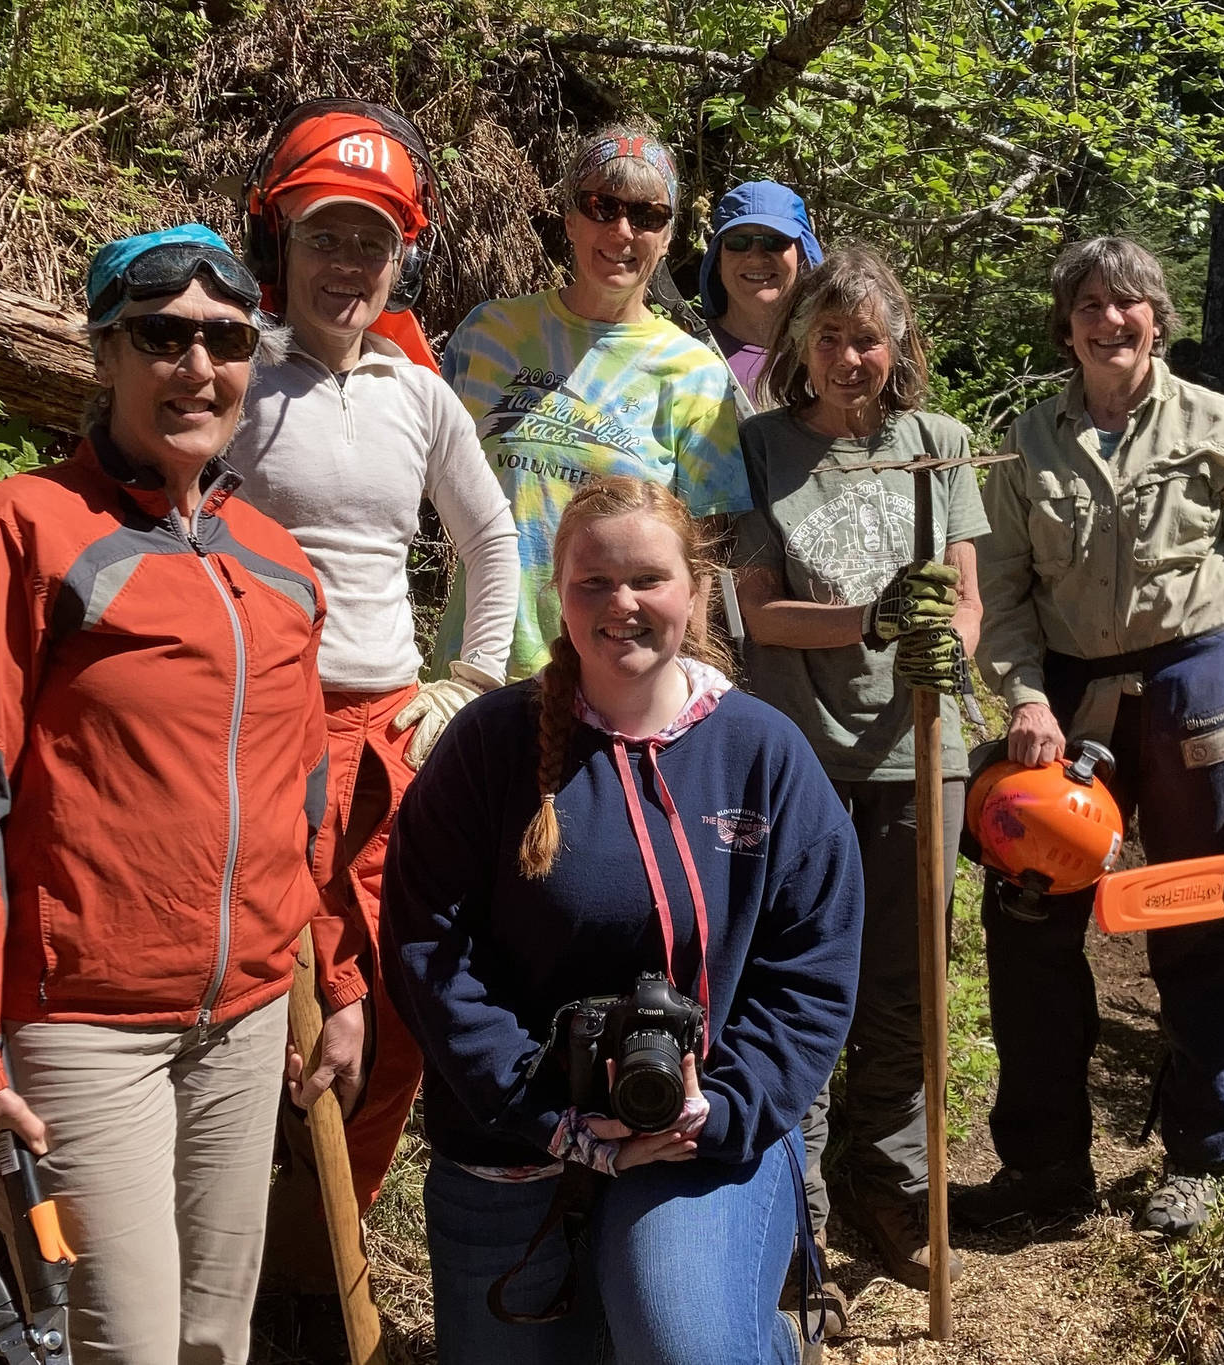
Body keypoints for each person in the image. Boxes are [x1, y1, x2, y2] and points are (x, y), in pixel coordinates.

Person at [0, 224, 326, 1364]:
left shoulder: (278, 563)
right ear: (103, 354)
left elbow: (304, 800)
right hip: (83, 1027)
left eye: (225, 339)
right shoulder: (26, 528)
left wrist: (336, 980)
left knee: (215, 1344)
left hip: (244, 1020)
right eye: (161, 337)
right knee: (119, 1348)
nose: (196, 367)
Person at [380, 475, 864, 1364]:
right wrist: (544, 1110)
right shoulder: (491, 747)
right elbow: (427, 947)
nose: (622, 604)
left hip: (703, 1134)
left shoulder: (761, 754)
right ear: (556, 595)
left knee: (683, 1339)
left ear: (698, 590)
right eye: (593, 583)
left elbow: (811, 970)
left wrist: (717, 1110)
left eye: (648, 578)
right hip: (512, 1131)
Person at [955, 236, 1224, 1241]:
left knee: (1203, 922)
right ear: (1065, 324)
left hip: (1197, 691)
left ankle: (1200, 1161)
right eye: (1087, 303)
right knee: (1029, 928)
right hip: (1066, 707)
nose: (1108, 318)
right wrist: (1023, 701)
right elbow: (998, 596)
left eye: (1126, 302)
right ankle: (1044, 1170)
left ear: (1157, 318)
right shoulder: (1024, 444)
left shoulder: (1216, 427)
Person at [231, 100, 521, 1321]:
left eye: (371, 243)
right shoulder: (230, 372)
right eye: (324, 237)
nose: (347, 265)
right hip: (251, 734)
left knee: (395, 991)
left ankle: (328, 1247)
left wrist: (467, 685)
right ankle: (232, 1257)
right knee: (261, 994)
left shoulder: (418, 393)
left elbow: (491, 538)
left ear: (399, 255)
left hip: (388, 730)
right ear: (278, 242)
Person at [731, 243, 984, 1308]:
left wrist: (948, 647)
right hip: (800, 752)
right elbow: (754, 611)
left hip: (922, 749)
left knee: (905, 983)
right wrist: (871, 617)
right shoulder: (757, 450)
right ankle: (786, 1223)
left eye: (866, 339)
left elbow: (968, 600)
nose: (847, 358)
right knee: (797, 979)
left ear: (898, 346)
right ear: (799, 347)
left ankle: (888, 1198)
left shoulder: (940, 444)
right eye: (828, 338)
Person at [436, 124, 752, 679]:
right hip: (478, 666)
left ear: (669, 234)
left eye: (647, 215)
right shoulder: (488, 333)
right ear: (570, 218)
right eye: (601, 206)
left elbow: (698, 560)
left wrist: (689, 685)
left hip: (617, 676)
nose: (622, 230)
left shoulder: (696, 374)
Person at [698, 179, 824, 405]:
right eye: (739, 241)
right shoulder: (687, 353)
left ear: (803, 256)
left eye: (775, 241)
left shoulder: (832, 355)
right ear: (718, 260)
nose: (756, 257)